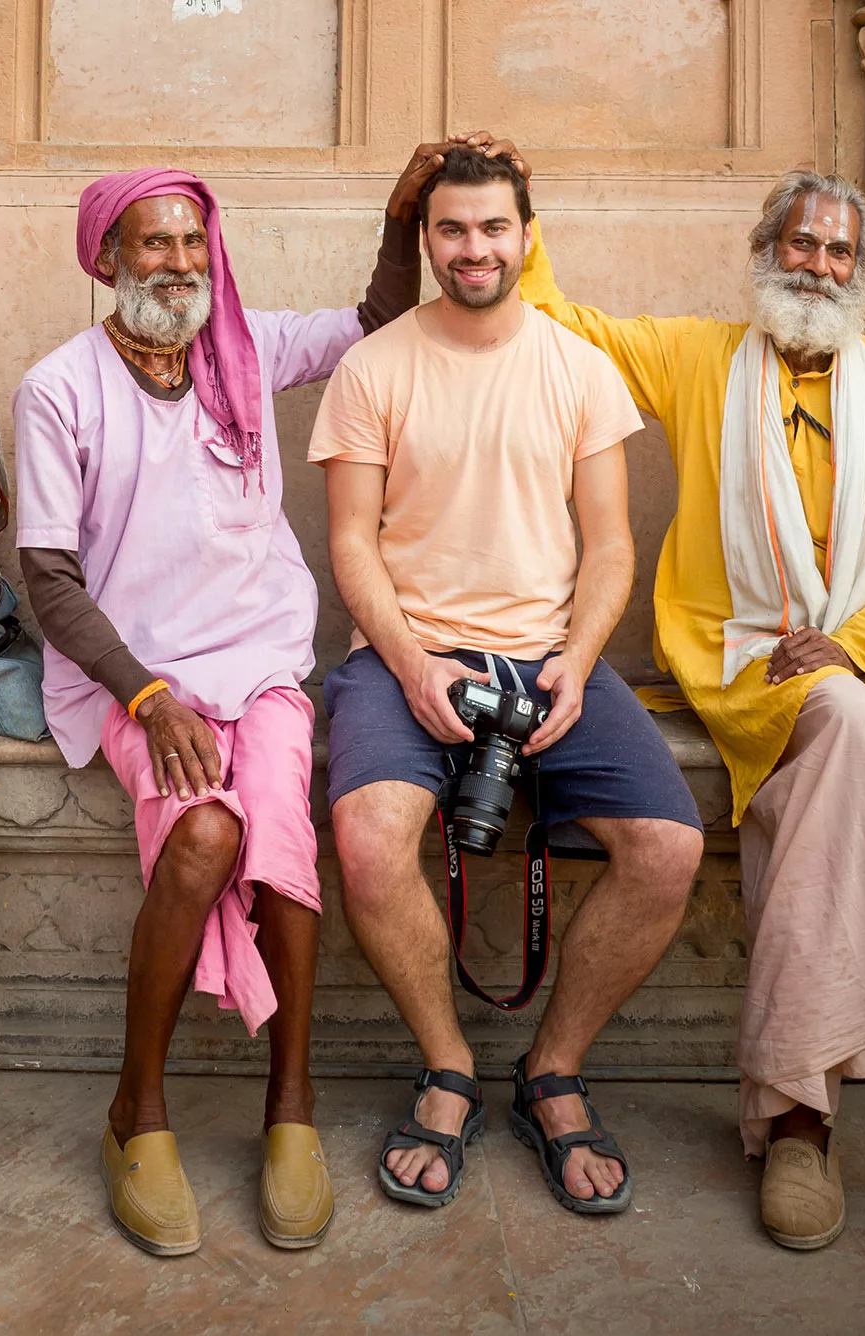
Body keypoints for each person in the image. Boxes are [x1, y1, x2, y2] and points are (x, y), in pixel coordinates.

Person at [496, 137, 865, 1247]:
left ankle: (796, 1116)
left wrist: (852, 644)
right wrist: (517, 204)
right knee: (835, 740)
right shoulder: (700, 359)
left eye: (841, 251)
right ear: (764, 253)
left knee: (835, 738)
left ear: (863, 270)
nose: (821, 265)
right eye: (803, 242)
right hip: (735, 662)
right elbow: (563, 322)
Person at [12, 165, 424, 1255]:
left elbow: (377, 322)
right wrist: (147, 697)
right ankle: (132, 1110)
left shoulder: (241, 348)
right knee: (203, 833)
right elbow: (48, 577)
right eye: (153, 245)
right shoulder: (60, 386)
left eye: (193, 242)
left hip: (264, 660)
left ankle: (290, 1102)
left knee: (284, 837)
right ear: (106, 259)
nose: (180, 263)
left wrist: (398, 215)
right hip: (138, 676)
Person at [310, 144, 706, 1219]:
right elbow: (351, 545)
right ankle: (448, 1067)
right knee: (365, 835)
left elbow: (612, 546)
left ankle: (553, 1071)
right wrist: (411, 660)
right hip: (404, 654)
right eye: (452, 229)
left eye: (494, 228)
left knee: (669, 847)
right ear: (426, 239)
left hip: (549, 657)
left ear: (528, 236)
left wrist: (575, 666)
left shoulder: (579, 367)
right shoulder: (375, 366)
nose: (474, 248)